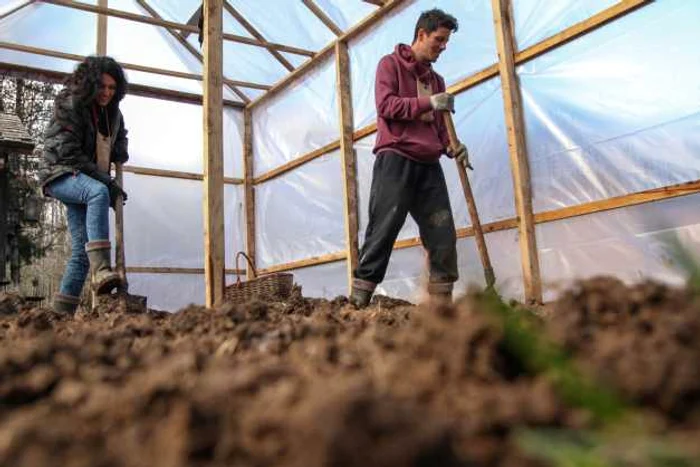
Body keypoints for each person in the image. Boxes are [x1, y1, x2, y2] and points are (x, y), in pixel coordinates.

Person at [350, 9, 469, 308]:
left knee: (443, 235)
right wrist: (429, 101)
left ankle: (441, 311)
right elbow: (387, 106)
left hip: (429, 166)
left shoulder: (437, 80)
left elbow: (440, 127)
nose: (443, 47)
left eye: (446, 42)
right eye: (439, 40)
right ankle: (357, 303)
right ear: (421, 35)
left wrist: (452, 146)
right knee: (383, 230)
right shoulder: (389, 65)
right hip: (396, 158)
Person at [39, 56, 129, 315]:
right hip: (60, 172)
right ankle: (102, 270)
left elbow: (120, 134)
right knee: (98, 192)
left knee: (80, 254)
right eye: (102, 86)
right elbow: (68, 153)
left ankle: (59, 315)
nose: (107, 93)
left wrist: (120, 149)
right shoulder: (71, 103)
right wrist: (108, 182)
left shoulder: (113, 112)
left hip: (85, 176)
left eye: (112, 88)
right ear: (90, 84)